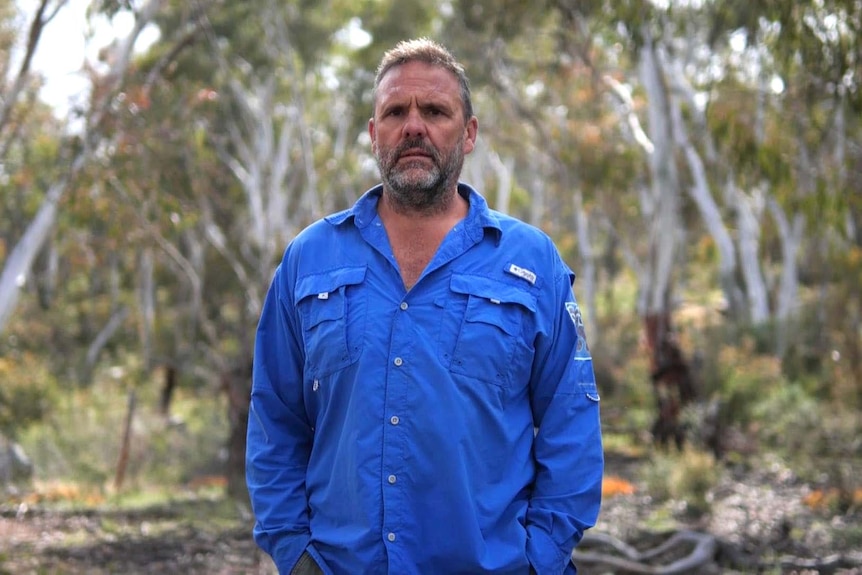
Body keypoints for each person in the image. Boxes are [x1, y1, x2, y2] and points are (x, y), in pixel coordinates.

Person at [246, 38, 603, 575]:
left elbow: (571, 421)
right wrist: (293, 552)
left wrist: (541, 558)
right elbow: (275, 417)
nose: (413, 126)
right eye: (395, 112)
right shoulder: (309, 260)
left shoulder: (531, 262)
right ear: (373, 134)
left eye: (434, 111)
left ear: (469, 133)